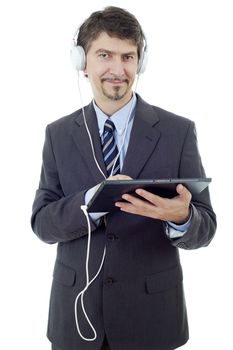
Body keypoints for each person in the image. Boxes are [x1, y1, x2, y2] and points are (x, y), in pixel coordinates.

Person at [31, 6, 217, 350]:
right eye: (105, 55)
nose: (118, 70)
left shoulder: (178, 131)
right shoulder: (58, 134)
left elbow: (206, 227)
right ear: (82, 62)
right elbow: (42, 223)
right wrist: (92, 202)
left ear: (139, 63)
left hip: (152, 319)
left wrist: (182, 218)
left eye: (128, 57)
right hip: (76, 318)